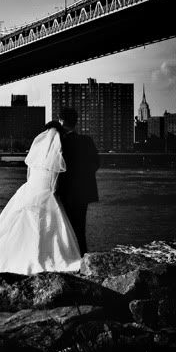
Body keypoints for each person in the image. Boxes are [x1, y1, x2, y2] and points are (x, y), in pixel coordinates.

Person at [0, 121, 81, 274]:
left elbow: (31, 174)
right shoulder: (57, 153)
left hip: (30, 189)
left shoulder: (37, 152)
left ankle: (17, 252)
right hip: (45, 191)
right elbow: (55, 180)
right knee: (49, 224)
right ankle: (48, 255)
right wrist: (55, 192)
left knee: (17, 225)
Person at [55, 107, 100, 256]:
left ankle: (67, 258)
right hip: (83, 193)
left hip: (65, 193)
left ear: (61, 121)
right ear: (76, 122)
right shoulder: (87, 141)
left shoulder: (60, 142)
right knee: (79, 227)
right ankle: (82, 257)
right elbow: (96, 164)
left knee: (64, 227)